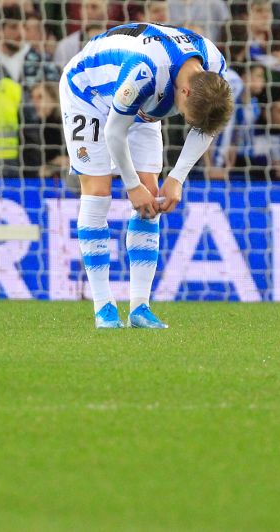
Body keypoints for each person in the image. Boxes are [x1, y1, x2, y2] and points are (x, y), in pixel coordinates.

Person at [59, 21, 236, 329]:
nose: (182, 118)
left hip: (142, 108)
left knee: (151, 199)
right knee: (98, 192)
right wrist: (131, 186)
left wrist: (177, 177)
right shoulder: (145, 69)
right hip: (89, 94)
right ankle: (104, 307)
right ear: (184, 90)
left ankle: (140, 307)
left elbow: (207, 127)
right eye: (184, 113)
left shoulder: (214, 63)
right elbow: (114, 131)